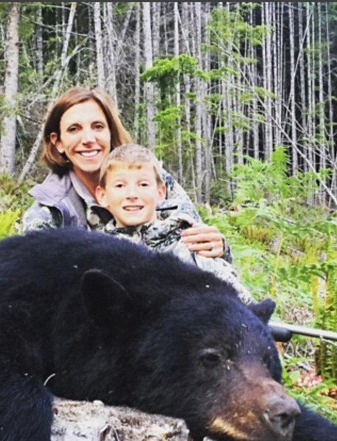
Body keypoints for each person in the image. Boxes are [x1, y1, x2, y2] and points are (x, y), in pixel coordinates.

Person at [22, 86, 229, 260]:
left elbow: (201, 246)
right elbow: (33, 278)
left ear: (110, 133)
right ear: (58, 142)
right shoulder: (51, 210)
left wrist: (219, 247)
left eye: (98, 126)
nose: (88, 138)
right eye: (74, 129)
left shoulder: (149, 176)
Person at [94, 144, 253, 303]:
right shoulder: (98, 253)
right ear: (102, 196)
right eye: (120, 185)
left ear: (160, 193)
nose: (132, 194)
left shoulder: (189, 245)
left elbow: (243, 307)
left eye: (143, 185)